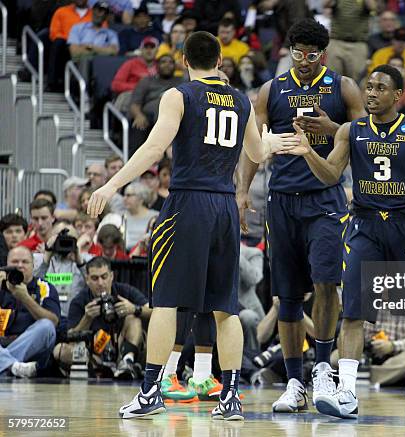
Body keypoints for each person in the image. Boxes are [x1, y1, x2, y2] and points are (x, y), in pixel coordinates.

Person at [87, 30, 300, 420]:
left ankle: (152, 391)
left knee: (166, 301)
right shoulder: (240, 100)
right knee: (225, 309)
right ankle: (231, 398)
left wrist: (111, 184)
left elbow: (153, 148)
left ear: (185, 60)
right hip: (224, 207)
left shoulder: (178, 95)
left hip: (187, 202)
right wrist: (281, 143)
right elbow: (256, 151)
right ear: (220, 61)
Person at [279, 64, 405, 418]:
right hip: (365, 227)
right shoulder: (350, 130)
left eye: (379, 88)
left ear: (398, 95)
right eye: (368, 87)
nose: (371, 93)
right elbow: (330, 173)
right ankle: (346, 391)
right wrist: (307, 151)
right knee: (354, 312)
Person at [236, 18, 366, 415]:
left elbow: (369, 133)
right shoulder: (269, 91)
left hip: (325, 198)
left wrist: (335, 127)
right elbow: (253, 145)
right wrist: (242, 190)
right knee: (286, 296)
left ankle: (323, 369)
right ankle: (295, 382)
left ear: (322, 55)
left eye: (312, 55)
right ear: (289, 52)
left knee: (327, 285)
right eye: (298, 53)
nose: (304, 60)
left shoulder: (342, 87)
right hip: (281, 201)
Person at [53, 256, 151, 379]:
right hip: (93, 352)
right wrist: (87, 318)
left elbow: (154, 311)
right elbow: (71, 336)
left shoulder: (124, 291)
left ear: (111, 276)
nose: (100, 283)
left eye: (104, 277)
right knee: (60, 350)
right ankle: (100, 368)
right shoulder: (79, 301)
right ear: (87, 280)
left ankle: (127, 362)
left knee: (133, 318)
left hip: (123, 345)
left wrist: (135, 309)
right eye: (95, 278)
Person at [0, 246, 60, 378]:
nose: (20, 266)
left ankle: (5, 364)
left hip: (31, 346)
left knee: (46, 326)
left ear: (33, 265)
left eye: (25, 262)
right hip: (2, 344)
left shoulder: (44, 287)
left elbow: (53, 323)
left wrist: (25, 298)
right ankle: (12, 367)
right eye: (15, 262)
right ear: (6, 265)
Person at [122, 181, 158, 250]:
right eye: (124, 195)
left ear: (141, 198)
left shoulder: (155, 217)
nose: (124, 198)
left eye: (129, 195)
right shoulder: (121, 217)